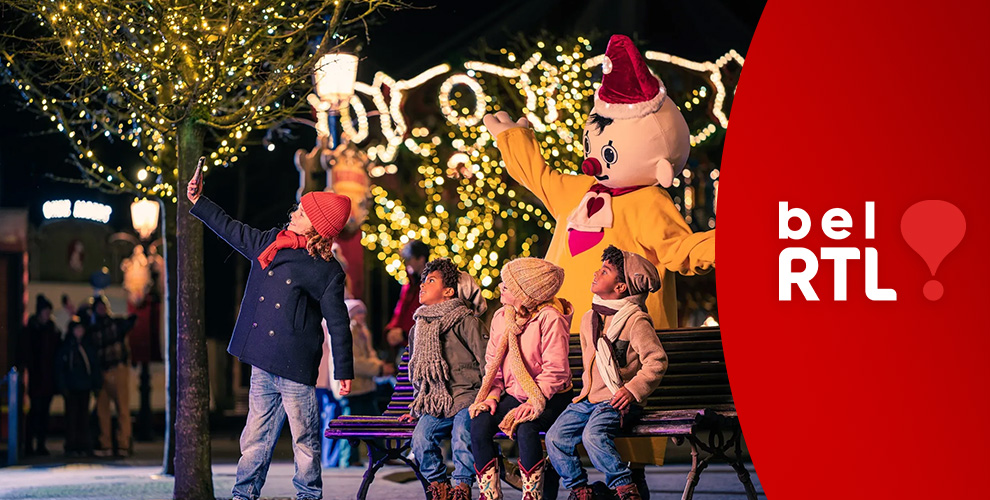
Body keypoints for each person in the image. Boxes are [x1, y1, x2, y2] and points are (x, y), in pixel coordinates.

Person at [187, 167, 354, 500]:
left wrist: (343, 371)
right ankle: (243, 494)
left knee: (304, 439)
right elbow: (230, 229)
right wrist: (199, 200)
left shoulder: (326, 271)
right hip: (263, 361)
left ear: (318, 226)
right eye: (297, 208)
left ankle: (308, 495)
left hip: (295, 367)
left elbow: (338, 323)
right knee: (255, 438)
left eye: (303, 213)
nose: (294, 214)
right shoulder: (270, 244)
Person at [546, 246, 667, 500]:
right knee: (556, 437)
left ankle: (625, 488)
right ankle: (580, 490)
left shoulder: (636, 321)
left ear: (621, 287)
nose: (596, 273)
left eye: (605, 271)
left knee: (593, 435)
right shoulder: (590, 317)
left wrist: (633, 390)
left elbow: (656, 361)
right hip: (588, 400)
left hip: (616, 400)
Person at [469, 258, 573, 500]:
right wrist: (493, 395)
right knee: (479, 421)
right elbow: (492, 364)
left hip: (551, 396)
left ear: (526, 293)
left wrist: (534, 402)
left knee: (527, 426)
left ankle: (533, 494)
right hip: (516, 394)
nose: (501, 286)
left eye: (508, 284)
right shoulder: (501, 317)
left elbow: (555, 370)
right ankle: (490, 494)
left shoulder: (550, 318)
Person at [398, 259, 487, 500]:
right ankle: (439, 484)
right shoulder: (419, 327)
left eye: (431, 281)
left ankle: (461, 485)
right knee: (420, 439)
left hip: (467, 396)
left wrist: (487, 398)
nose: (422, 285)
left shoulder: (466, 320)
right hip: (436, 401)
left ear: (448, 292)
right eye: (423, 280)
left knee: (462, 435)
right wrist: (417, 408)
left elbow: (486, 361)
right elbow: (419, 374)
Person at [321, 299, 394, 467]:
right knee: (350, 424)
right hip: (351, 387)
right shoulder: (349, 330)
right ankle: (349, 459)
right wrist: (379, 369)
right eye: (358, 312)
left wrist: (380, 367)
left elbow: (370, 355)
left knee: (374, 422)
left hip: (365, 386)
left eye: (363, 312)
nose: (362, 316)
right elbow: (353, 361)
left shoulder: (362, 331)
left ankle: (380, 455)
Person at [87, 294, 137, 457]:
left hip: (117, 368)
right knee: (103, 411)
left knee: (122, 408)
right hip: (102, 371)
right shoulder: (94, 328)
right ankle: (106, 443)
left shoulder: (115, 324)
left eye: (102, 306)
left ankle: (122, 443)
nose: (101, 309)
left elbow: (131, 322)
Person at [22, 294, 61, 456]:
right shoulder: (40, 330)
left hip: (45, 377)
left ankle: (38, 444)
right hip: (38, 376)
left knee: (42, 412)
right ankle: (32, 444)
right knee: (37, 411)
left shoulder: (48, 330)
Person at [56, 317, 102, 457]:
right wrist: (63, 386)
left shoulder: (86, 346)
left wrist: (95, 384)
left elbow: (94, 367)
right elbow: (60, 368)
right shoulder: (68, 347)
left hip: (84, 386)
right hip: (72, 386)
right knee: (72, 417)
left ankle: (83, 444)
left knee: (83, 417)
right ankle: (72, 445)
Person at [383, 240, 430, 363]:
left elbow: (428, 317)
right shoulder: (409, 285)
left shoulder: (430, 286)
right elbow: (400, 311)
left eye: (409, 259)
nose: (407, 263)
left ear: (421, 259)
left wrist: (404, 334)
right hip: (405, 345)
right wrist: (391, 330)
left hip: (421, 348)